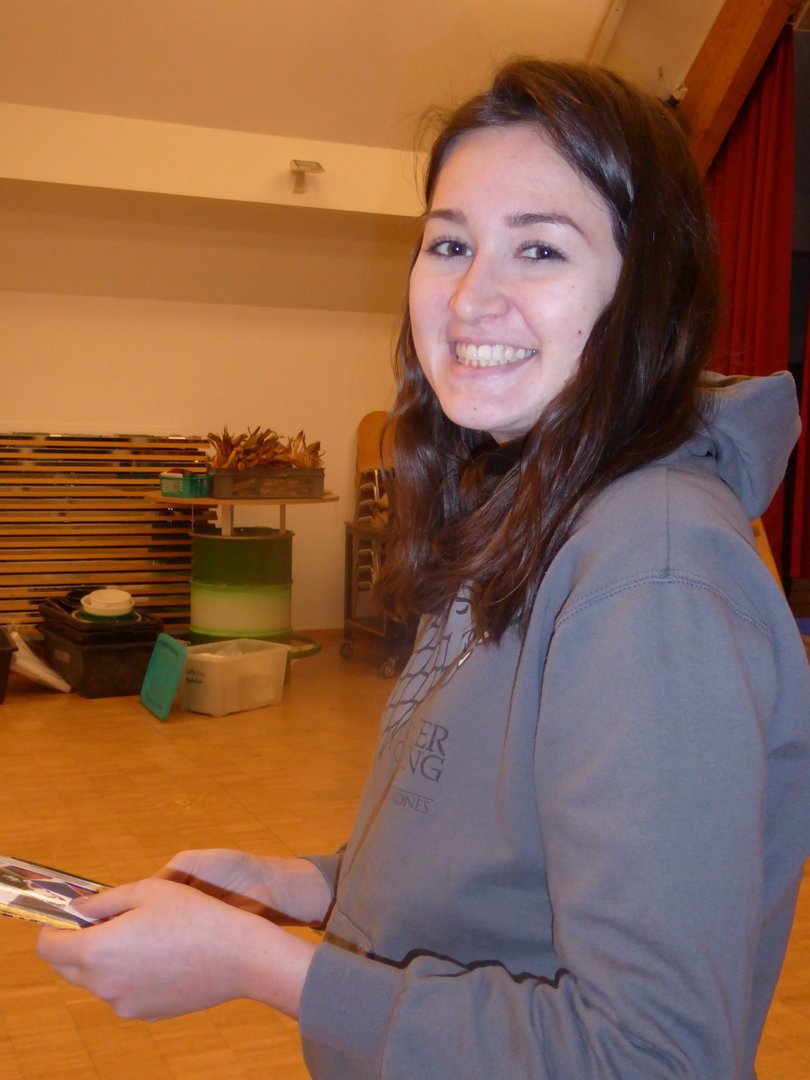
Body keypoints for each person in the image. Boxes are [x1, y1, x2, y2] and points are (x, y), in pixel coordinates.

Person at [38, 58, 810, 1078]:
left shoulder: (654, 573)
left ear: (646, 289)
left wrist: (261, 965)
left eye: (540, 248)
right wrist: (307, 888)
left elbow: (653, 1055)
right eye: (450, 243)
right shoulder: (533, 503)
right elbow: (502, 865)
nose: (471, 296)